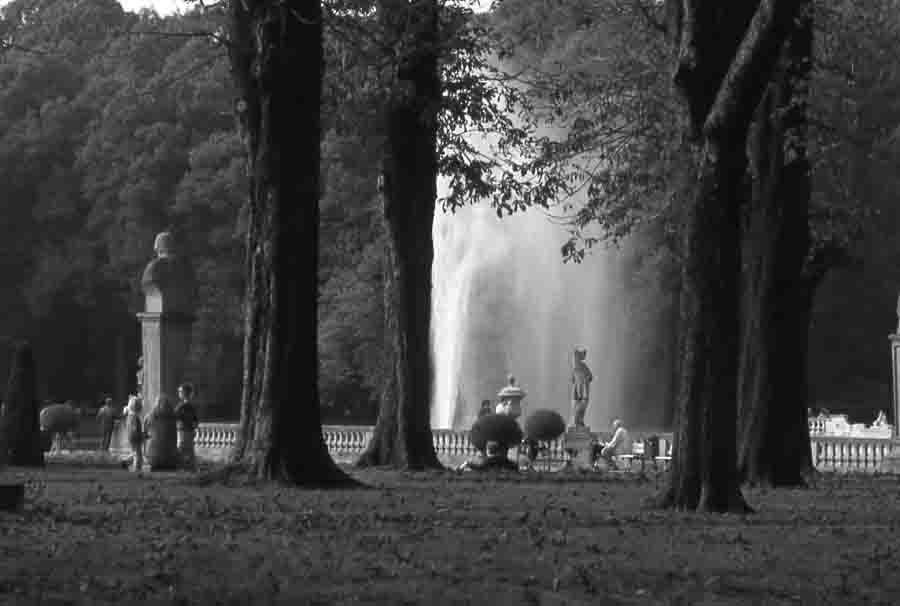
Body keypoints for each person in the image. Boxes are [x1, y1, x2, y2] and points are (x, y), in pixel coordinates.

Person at [175, 383, 199, 470]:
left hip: (183, 431)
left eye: (180, 391)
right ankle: (191, 467)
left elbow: (174, 416)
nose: (179, 393)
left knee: (181, 449)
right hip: (189, 431)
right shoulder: (192, 406)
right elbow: (196, 421)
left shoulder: (181, 406)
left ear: (184, 393)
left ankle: (182, 467)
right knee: (189, 450)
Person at [124, 395, 145, 472]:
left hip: (131, 436)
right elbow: (135, 429)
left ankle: (126, 463)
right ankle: (137, 468)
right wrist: (142, 435)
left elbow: (130, 428)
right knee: (138, 454)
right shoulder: (135, 417)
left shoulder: (130, 416)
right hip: (135, 437)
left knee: (134, 452)